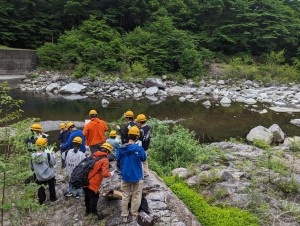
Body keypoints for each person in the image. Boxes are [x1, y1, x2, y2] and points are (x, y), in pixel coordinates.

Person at [116, 126, 147, 223]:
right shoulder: (139, 149)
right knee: (136, 195)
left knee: (125, 196)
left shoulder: (121, 148)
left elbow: (118, 159)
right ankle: (134, 214)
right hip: (137, 176)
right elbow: (143, 159)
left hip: (125, 176)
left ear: (128, 136)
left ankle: (124, 215)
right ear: (137, 137)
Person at [83, 142, 113, 219]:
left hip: (85, 180)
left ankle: (88, 211)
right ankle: (95, 214)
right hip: (93, 183)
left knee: (87, 195)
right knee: (94, 197)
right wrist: (111, 173)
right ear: (107, 151)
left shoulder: (94, 155)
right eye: (109, 152)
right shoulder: (105, 159)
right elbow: (105, 174)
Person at [31, 137, 57, 204]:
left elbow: (32, 167)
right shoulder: (48, 155)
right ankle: (53, 198)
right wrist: (53, 156)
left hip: (39, 177)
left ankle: (41, 201)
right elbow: (53, 163)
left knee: (40, 188)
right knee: (51, 186)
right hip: (49, 175)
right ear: (44, 146)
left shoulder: (32, 156)